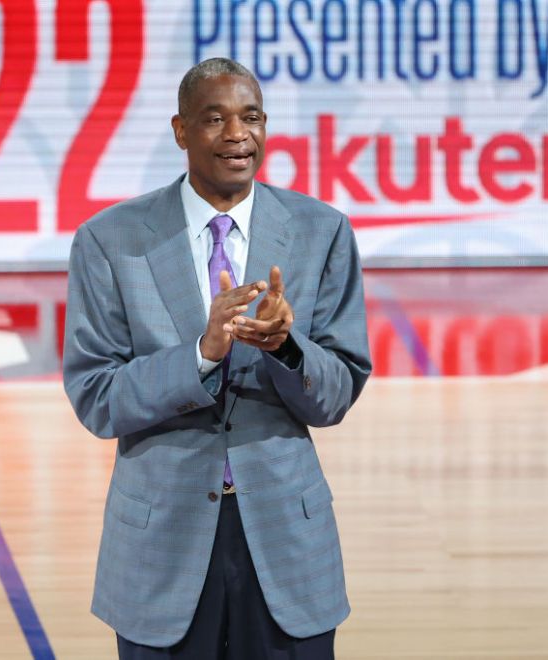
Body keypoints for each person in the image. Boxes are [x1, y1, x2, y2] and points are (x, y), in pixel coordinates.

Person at [63, 57, 372, 659]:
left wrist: (286, 348)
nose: (237, 134)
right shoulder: (109, 240)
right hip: (162, 548)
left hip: (286, 543)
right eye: (215, 119)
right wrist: (201, 356)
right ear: (181, 131)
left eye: (251, 117)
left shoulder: (322, 231)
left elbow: (336, 394)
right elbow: (98, 399)